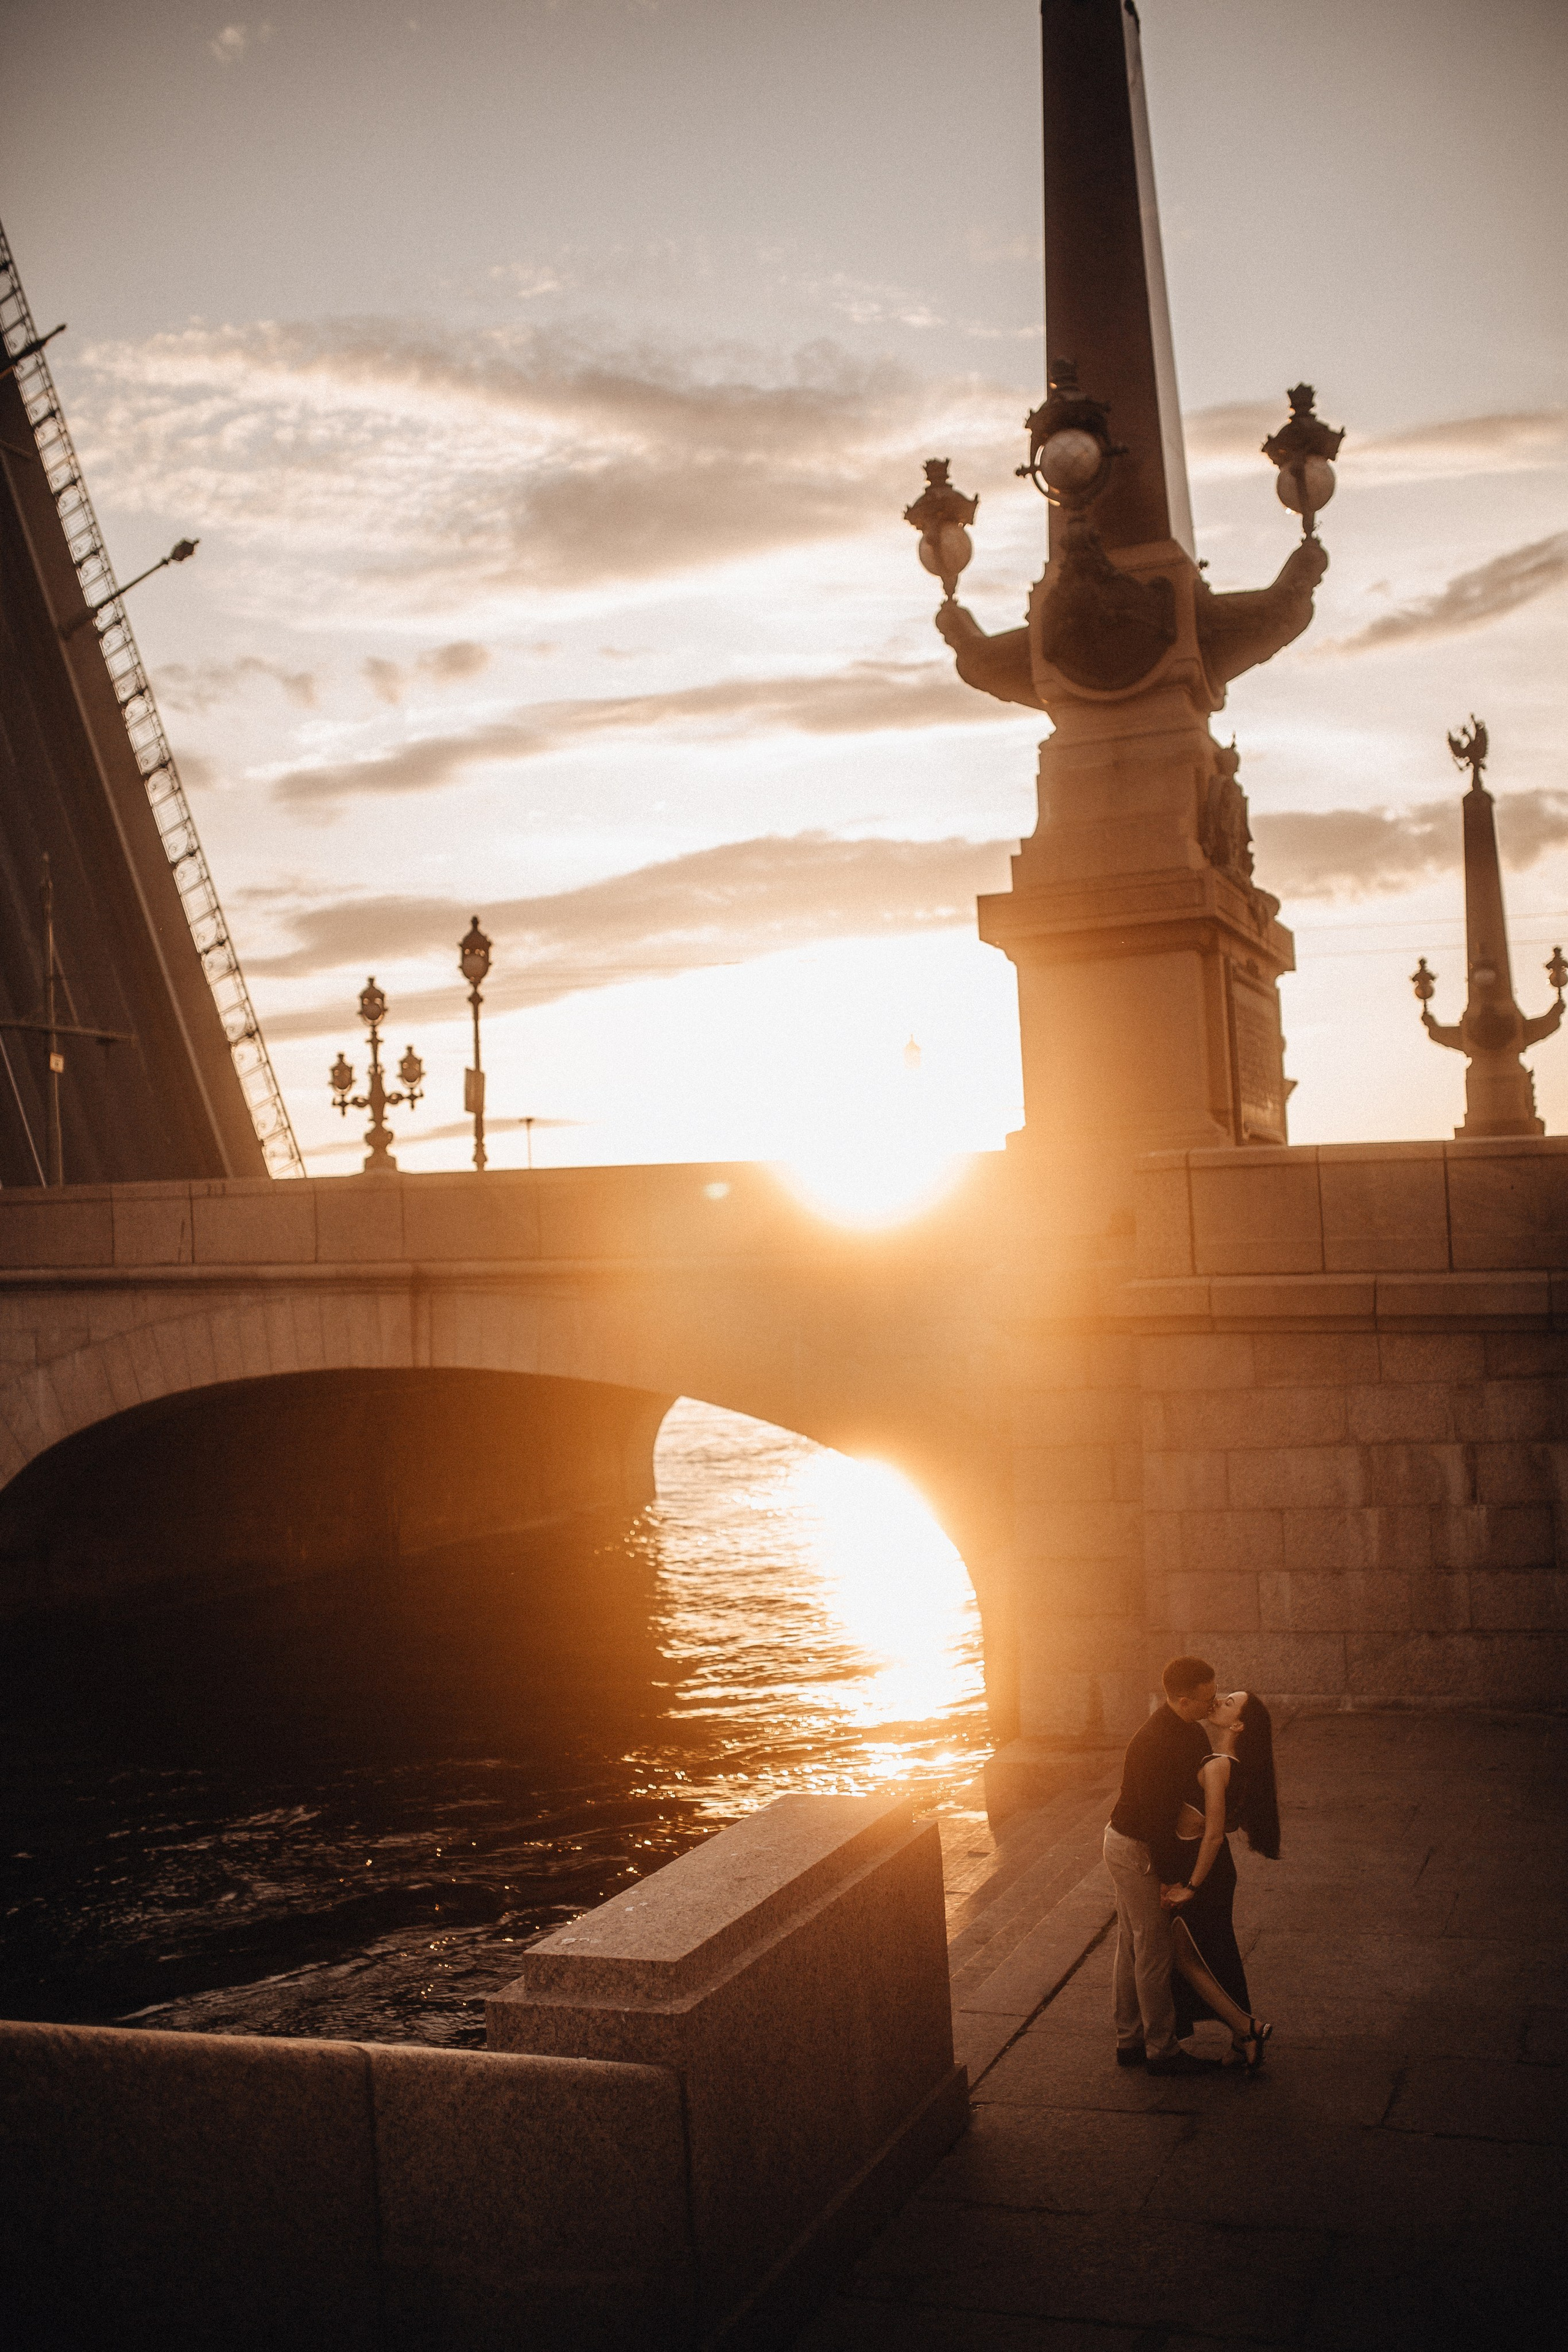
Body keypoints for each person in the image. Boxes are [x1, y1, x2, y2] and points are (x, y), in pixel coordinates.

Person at [1103, 1655, 1223, 2075]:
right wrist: (1170, 1881)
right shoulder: (1157, 1742)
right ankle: (1161, 2050)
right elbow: (1157, 1822)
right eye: (1207, 1700)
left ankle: (1130, 2041)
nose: (1214, 1706)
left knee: (1132, 1944)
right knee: (1153, 1948)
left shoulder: (1188, 1729)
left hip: (1130, 1842)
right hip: (1136, 1849)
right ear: (1183, 1700)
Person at [1163, 1688, 1280, 2072]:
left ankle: (1247, 2028)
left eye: (1230, 1703)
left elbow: (1214, 1833)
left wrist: (1191, 1887)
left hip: (1206, 1871)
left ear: (1239, 1724)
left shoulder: (1218, 1766)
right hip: (1216, 1870)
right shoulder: (1236, 1764)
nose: (1219, 1701)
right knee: (1217, 1953)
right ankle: (1241, 2038)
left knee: (1182, 1953)